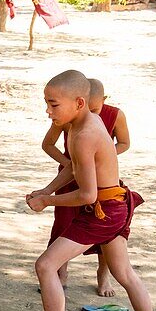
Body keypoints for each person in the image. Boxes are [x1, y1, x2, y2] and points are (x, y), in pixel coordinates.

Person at [22, 70, 156, 311]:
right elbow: (73, 169)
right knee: (124, 272)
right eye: (46, 103)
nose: (48, 111)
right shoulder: (85, 122)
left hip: (103, 211)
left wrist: (48, 202)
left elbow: (87, 194)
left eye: (54, 104)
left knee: (46, 265)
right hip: (117, 205)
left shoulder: (84, 134)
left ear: (79, 102)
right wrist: (46, 190)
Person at [41, 77, 130, 296]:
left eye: (96, 109)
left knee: (107, 240)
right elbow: (50, 146)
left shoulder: (100, 121)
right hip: (70, 177)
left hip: (103, 193)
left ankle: (103, 274)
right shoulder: (67, 117)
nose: (92, 114)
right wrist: (71, 166)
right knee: (63, 226)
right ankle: (60, 274)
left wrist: (100, 157)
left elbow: (124, 143)